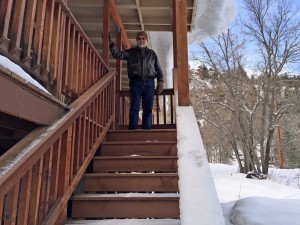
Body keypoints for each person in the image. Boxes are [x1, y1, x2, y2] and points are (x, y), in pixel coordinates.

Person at [109, 31, 164, 129]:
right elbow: (117, 54)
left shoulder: (152, 54)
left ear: (146, 40)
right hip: (135, 82)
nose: (141, 40)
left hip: (149, 83)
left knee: (148, 107)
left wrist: (161, 81)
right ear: (136, 40)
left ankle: (146, 129)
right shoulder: (130, 52)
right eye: (139, 38)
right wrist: (111, 44)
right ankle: (133, 129)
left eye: (143, 38)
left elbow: (158, 69)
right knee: (135, 106)